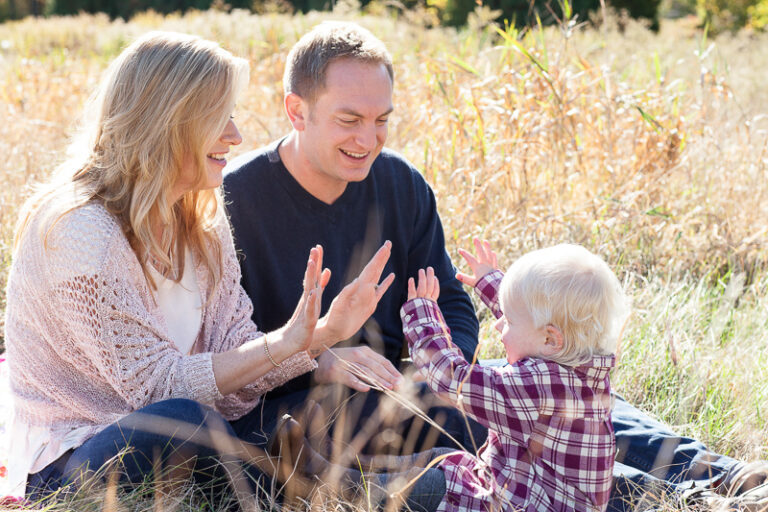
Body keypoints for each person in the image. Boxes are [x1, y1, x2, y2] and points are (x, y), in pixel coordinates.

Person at [222, 20, 768, 512]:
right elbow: (225, 351)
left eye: (382, 119)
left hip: (420, 379)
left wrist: (451, 370)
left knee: (561, 390)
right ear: (297, 110)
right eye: (349, 120)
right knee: (506, 425)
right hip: (315, 407)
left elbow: (453, 303)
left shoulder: (401, 184)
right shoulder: (235, 202)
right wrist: (319, 358)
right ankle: (682, 496)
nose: (368, 140)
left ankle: (725, 475)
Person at [1, 30, 396, 505]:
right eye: (220, 117)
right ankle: (348, 490)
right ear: (169, 120)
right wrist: (298, 342)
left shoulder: (201, 216)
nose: (236, 135)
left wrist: (322, 334)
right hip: (79, 455)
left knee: (342, 401)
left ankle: (361, 471)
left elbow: (235, 368)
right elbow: (155, 390)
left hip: (205, 429)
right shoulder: (81, 230)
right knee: (185, 421)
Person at [399, 241, 625, 511]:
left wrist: (422, 315)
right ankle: (361, 470)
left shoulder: (535, 387)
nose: (497, 324)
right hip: (521, 488)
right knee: (443, 458)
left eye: (507, 321)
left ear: (550, 339)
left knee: (418, 486)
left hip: (507, 505)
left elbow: (453, 379)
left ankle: (350, 483)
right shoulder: (583, 365)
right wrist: (492, 282)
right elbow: (532, 316)